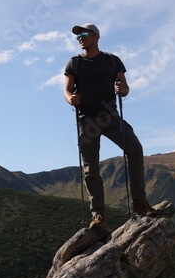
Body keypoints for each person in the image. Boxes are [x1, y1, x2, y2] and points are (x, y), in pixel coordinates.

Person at [63, 23, 155, 229]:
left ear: (96, 37)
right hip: (87, 119)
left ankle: (139, 202)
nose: (80, 38)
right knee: (90, 168)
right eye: (78, 36)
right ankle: (98, 216)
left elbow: (125, 89)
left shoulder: (112, 61)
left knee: (134, 148)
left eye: (85, 34)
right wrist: (71, 99)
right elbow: (67, 90)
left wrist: (123, 88)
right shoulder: (74, 63)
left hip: (110, 117)